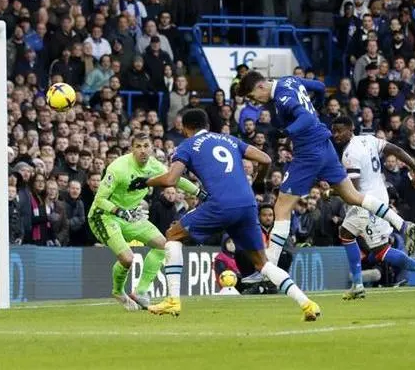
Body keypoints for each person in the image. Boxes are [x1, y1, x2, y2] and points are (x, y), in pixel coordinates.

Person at [131, 109, 321, 321]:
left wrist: (145, 181)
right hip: (247, 204)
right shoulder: (229, 139)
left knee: (173, 235)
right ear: (207, 125)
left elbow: (170, 180)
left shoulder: (187, 145)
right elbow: (266, 159)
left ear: (185, 128)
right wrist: (258, 182)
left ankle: (173, 300)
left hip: (220, 204)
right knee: (262, 263)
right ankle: (307, 303)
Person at [236, 71, 415, 279]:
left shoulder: (282, 96)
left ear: (260, 86)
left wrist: (286, 133)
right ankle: (402, 224)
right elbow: (320, 87)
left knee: (281, 208)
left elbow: (305, 117)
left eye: (253, 97)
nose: (256, 102)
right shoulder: (289, 80)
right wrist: (319, 104)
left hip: (308, 152)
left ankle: (268, 270)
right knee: (352, 196)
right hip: (326, 147)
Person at [87, 132, 202, 310]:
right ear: (132, 149)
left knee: (163, 245)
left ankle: (140, 291)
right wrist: (119, 211)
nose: (142, 150)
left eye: (146, 146)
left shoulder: (155, 166)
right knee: (127, 259)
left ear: (152, 148)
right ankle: (118, 291)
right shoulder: (118, 168)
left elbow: (175, 180)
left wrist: (199, 193)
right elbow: (99, 199)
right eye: (138, 146)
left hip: (130, 215)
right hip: (104, 215)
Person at [331, 116, 415, 299]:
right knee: (346, 234)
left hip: (366, 203)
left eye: (339, 131)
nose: (335, 135)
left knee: (380, 250)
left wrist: (331, 192)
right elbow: (395, 149)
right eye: (333, 131)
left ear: (350, 129)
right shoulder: (369, 140)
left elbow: (352, 190)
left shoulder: (349, 154)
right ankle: (358, 284)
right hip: (379, 196)